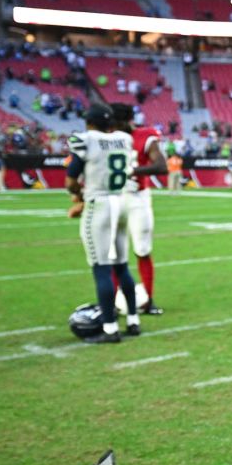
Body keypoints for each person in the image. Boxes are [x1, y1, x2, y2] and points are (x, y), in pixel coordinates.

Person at [64, 104, 141, 343]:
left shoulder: (86, 140)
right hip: (120, 201)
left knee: (101, 268)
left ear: (90, 123)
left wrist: (78, 195)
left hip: (99, 205)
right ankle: (133, 320)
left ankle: (109, 328)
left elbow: (70, 180)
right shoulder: (123, 139)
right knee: (121, 265)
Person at [111, 103, 168, 315]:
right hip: (115, 198)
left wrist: (133, 170)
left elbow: (161, 166)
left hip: (137, 198)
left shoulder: (145, 136)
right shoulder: (107, 139)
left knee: (142, 249)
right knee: (115, 252)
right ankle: (114, 301)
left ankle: (148, 300)